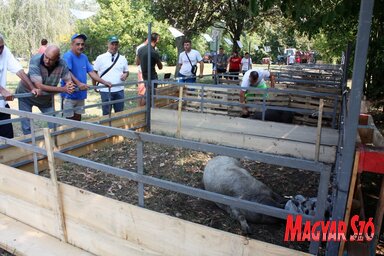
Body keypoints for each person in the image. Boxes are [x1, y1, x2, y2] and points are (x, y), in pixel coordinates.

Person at [16, 45, 75, 135]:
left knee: (54, 124)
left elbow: (68, 80)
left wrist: (70, 85)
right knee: (27, 125)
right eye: (46, 57)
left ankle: (55, 145)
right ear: (44, 53)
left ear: (57, 58)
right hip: (26, 94)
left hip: (45, 98)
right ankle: (30, 146)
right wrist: (63, 89)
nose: (47, 61)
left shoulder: (62, 64)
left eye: (51, 59)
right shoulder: (35, 60)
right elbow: (39, 86)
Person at [61, 33, 112, 121]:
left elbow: (91, 72)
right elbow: (67, 72)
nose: (80, 46)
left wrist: (104, 82)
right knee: (69, 121)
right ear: (72, 45)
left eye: (82, 44)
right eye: (78, 44)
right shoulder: (67, 56)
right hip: (69, 95)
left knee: (78, 119)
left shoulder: (84, 57)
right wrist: (79, 83)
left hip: (80, 94)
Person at [0, 33, 39, 138]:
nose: (0, 50)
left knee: (8, 138)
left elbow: (18, 70)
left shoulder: (5, 51)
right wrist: (2, 90)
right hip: (1, 96)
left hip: (2, 106)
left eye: (1, 47)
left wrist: (32, 87)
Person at [93, 35, 129, 115]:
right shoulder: (100, 58)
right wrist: (95, 86)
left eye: (116, 44)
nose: (114, 46)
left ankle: (118, 127)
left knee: (119, 114)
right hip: (105, 91)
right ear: (108, 44)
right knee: (106, 114)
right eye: (112, 44)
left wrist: (125, 75)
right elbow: (94, 73)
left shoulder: (123, 58)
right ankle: (106, 127)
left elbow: (126, 71)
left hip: (119, 90)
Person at [137, 33, 162, 101]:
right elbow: (160, 67)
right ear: (156, 40)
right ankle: (148, 110)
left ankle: (145, 109)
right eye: (158, 39)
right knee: (150, 97)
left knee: (147, 94)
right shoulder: (154, 52)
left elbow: (137, 63)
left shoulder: (140, 50)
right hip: (152, 77)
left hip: (144, 76)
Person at [135, 38, 148, 106]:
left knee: (146, 91)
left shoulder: (152, 47)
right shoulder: (140, 48)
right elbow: (137, 62)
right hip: (142, 72)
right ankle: (139, 108)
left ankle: (143, 108)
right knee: (141, 91)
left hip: (149, 73)